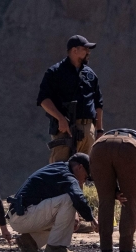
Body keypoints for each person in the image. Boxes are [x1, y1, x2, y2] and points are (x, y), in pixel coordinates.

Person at [6, 153, 98, 252]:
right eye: (86, 177)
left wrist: (73, 217)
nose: (84, 181)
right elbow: (77, 197)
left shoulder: (58, 168)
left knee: (65, 216)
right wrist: (91, 219)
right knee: (69, 199)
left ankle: (30, 241)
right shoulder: (68, 176)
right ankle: (56, 247)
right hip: (24, 216)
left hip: (18, 216)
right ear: (80, 167)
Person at [90, 128, 136, 252]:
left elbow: (106, 178)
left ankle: (105, 251)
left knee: (105, 201)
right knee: (129, 201)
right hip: (129, 148)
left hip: (99, 146)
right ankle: (125, 251)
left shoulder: (107, 138)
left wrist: (113, 192)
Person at [37, 35, 104, 164]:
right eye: (85, 49)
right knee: (60, 169)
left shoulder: (90, 75)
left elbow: (98, 103)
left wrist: (99, 130)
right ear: (74, 50)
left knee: (85, 171)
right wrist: (60, 118)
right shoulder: (55, 72)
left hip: (88, 130)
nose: (88, 52)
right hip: (65, 130)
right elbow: (44, 99)